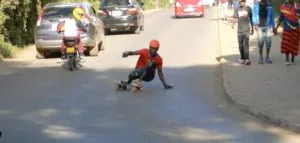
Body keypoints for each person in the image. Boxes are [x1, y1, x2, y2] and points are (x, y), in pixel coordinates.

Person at [274, 0, 300, 65]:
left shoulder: (297, 6)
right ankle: (287, 59)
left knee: (294, 44)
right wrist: (276, 28)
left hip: (296, 29)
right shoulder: (283, 7)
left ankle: (293, 57)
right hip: (287, 29)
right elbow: (280, 19)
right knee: (286, 45)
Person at [252, 0, 276, 64]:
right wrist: (255, 24)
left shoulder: (270, 5)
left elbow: (272, 17)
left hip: (267, 25)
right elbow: (253, 15)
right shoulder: (256, 5)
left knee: (268, 42)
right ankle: (261, 58)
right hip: (259, 26)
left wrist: (273, 27)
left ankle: (267, 57)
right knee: (260, 42)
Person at [232, 0, 254, 65]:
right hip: (239, 30)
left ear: (245, 2)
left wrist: (252, 28)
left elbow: (251, 18)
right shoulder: (237, 9)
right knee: (240, 45)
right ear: (239, 2)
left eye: (243, 1)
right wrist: (233, 24)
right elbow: (235, 17)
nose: (242, 3)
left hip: (247, 29)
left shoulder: (248, 8)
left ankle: (247, 59)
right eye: (240, 1)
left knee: (246, 45)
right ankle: (242, 58)